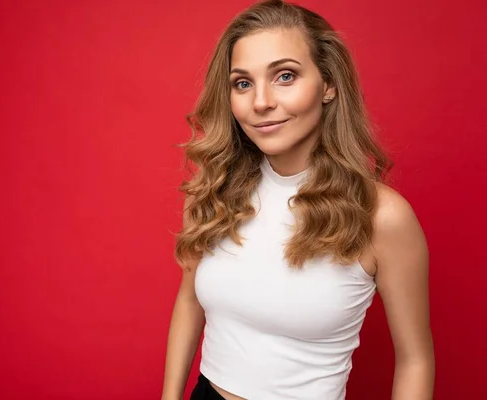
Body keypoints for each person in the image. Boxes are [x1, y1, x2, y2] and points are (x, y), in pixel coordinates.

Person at [161, 0, 435, 399]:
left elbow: (416, 359)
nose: (261, 102)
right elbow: (189, 302)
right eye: (243, 82)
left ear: (328, 85)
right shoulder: (214, 194)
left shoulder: (381, 216)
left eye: (285, 76)